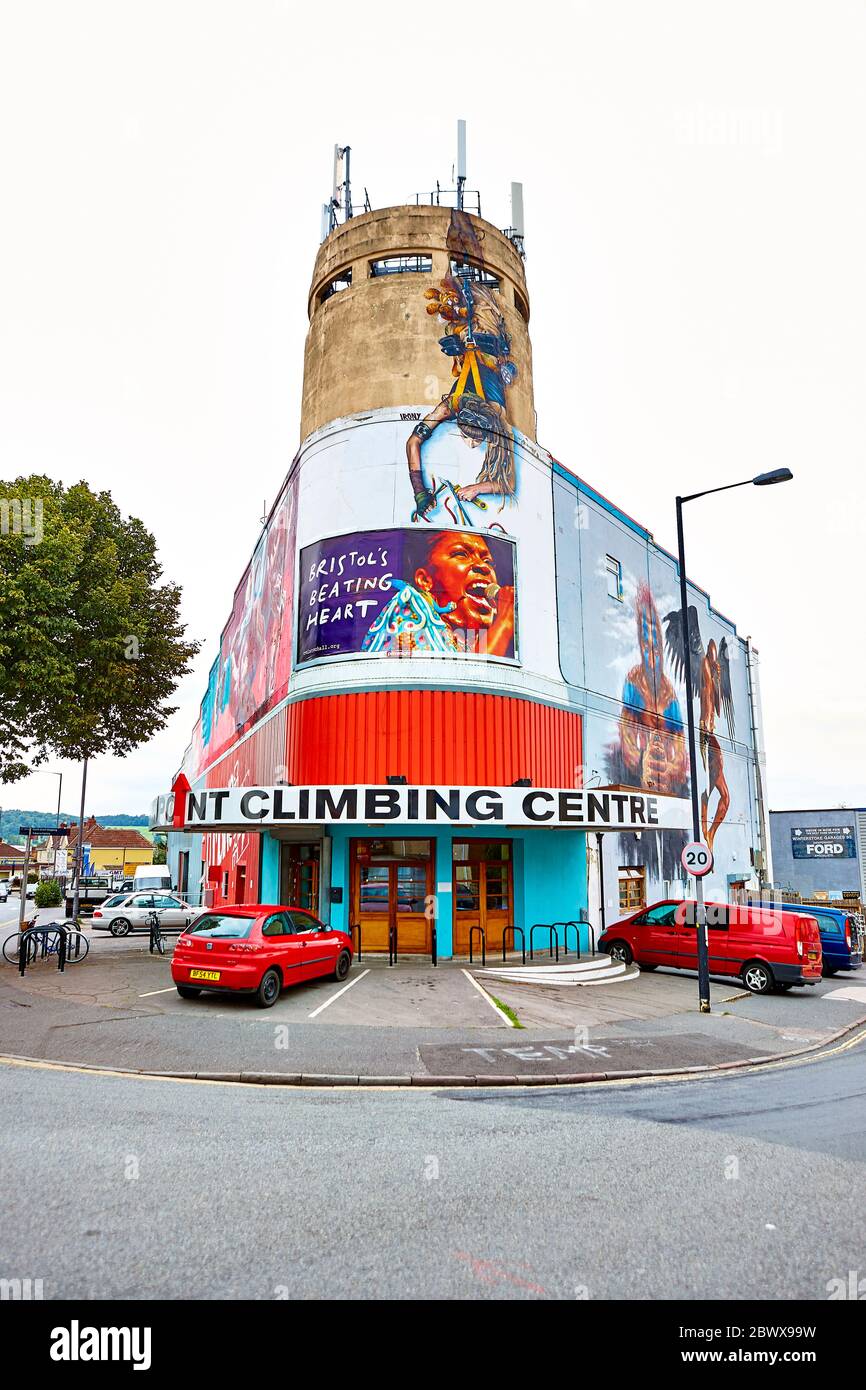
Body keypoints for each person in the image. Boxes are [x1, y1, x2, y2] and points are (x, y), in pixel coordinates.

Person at [361, 531, 515, 659]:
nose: (483, 566)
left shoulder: (465, 641)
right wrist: (505, 621)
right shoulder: (410, 612)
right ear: (425, 580)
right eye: (461, 554)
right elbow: (469, 680)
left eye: (487, 561)